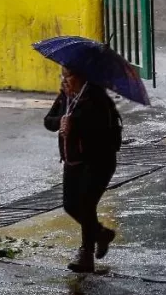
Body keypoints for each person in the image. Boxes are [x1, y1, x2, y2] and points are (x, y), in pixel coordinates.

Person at [44, 67, 124, 272]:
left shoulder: (96, 98)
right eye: (62, 74)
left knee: (87, 205)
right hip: (73, 160)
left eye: (69, 74)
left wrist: (75, 124)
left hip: (98, 161)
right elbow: (48, 121)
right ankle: (101, 234)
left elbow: (102, 132)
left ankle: (85, 254)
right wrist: (60, 122)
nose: (65, 79)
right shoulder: (65, 96)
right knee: (71, 205)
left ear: (83, 75)